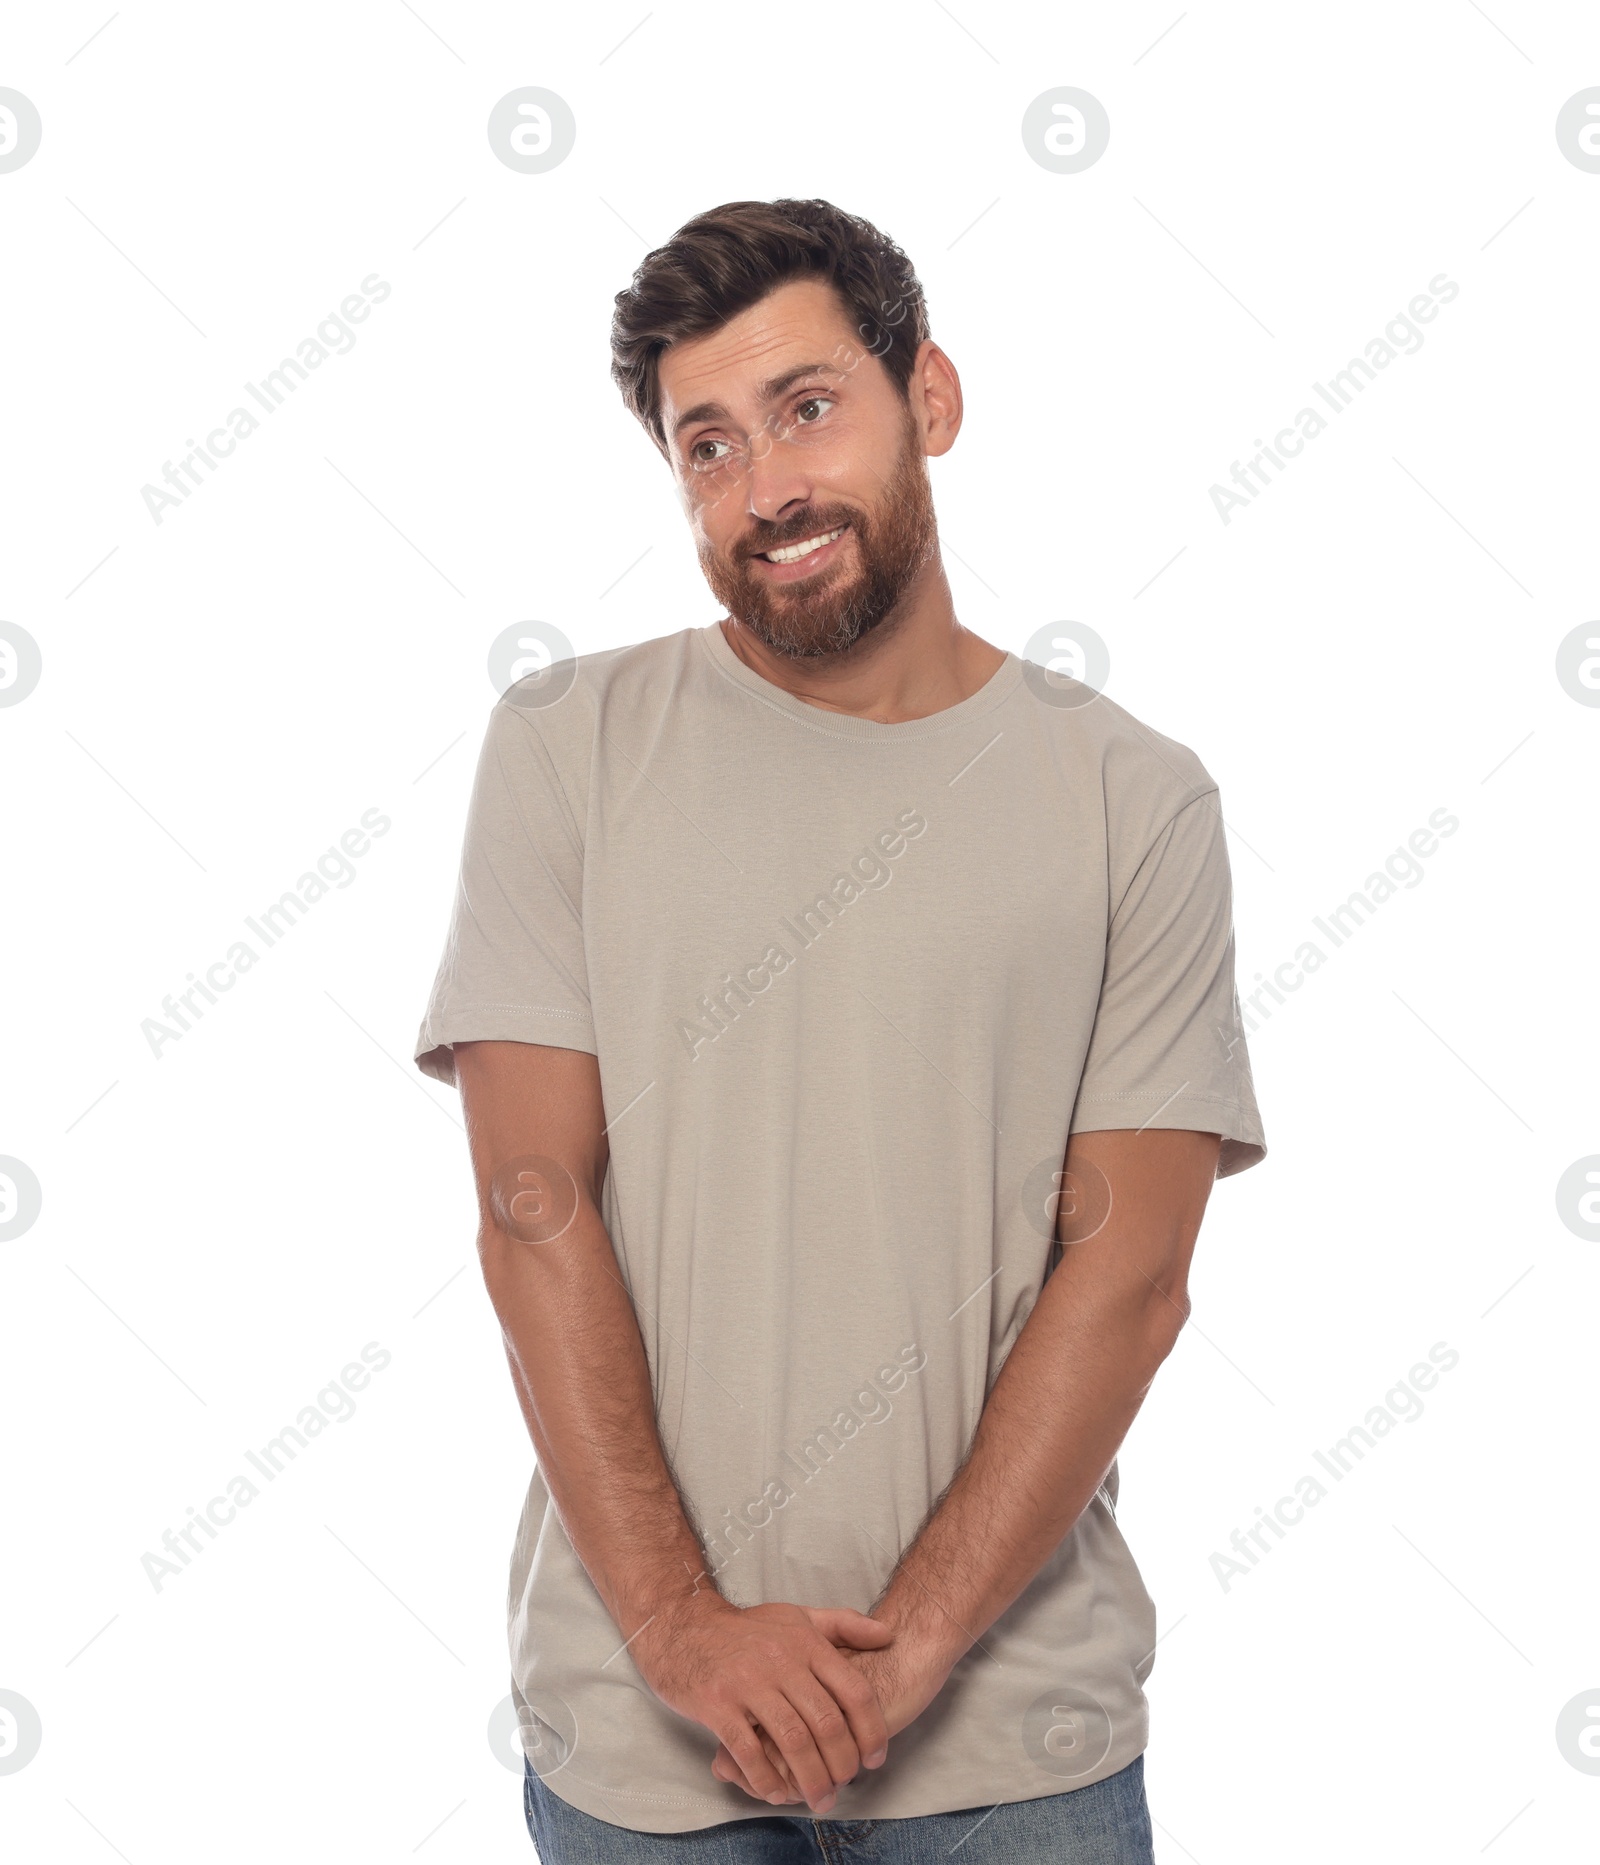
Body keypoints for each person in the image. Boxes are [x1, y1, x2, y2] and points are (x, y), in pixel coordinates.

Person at [413, 196, 1266, 1862]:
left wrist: (917, 1649)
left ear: (927, 399)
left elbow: (1134, 1273)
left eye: (808, 408)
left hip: (1019, 1743)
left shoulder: (1133, 799)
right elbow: (535, 1211)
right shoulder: (567, 747)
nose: (766, 487)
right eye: (706, 445)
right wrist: (677, 1628)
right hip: (647, 1751)